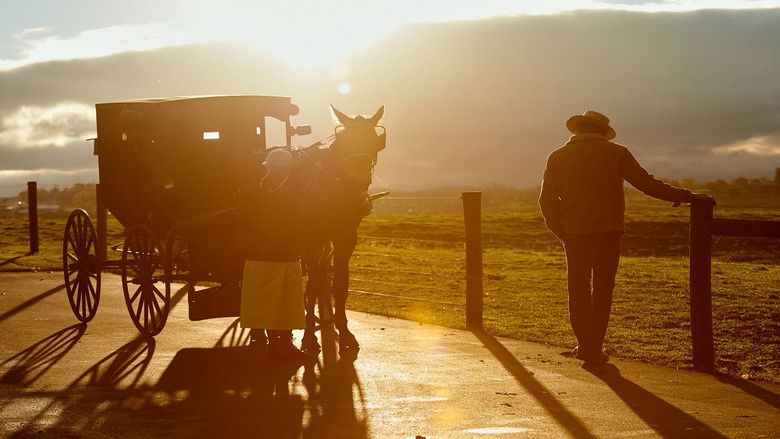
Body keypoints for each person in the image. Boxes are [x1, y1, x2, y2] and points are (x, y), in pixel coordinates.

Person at [538, 110, 715, 364]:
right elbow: (646, 184)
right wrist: (686, 196)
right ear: (602, 132)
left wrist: (562, 232)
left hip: (574, 233)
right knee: (603, 290)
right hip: (608, 232)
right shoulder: (617, 153)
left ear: (577, 129)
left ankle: (586, 346)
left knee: (577, 291)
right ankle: (593, 347)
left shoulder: (557, 156)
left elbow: (546, 200)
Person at [240, 148, 311, 361]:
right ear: (289, 168)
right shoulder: (295, 192)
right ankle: (284, 342)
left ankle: (268, 337)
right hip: (286, 253)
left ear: (268, 167)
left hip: (260, 254)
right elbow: (301, 222)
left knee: (265, 298)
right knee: (288, 299)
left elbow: (247, 221)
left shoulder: (253, 191)